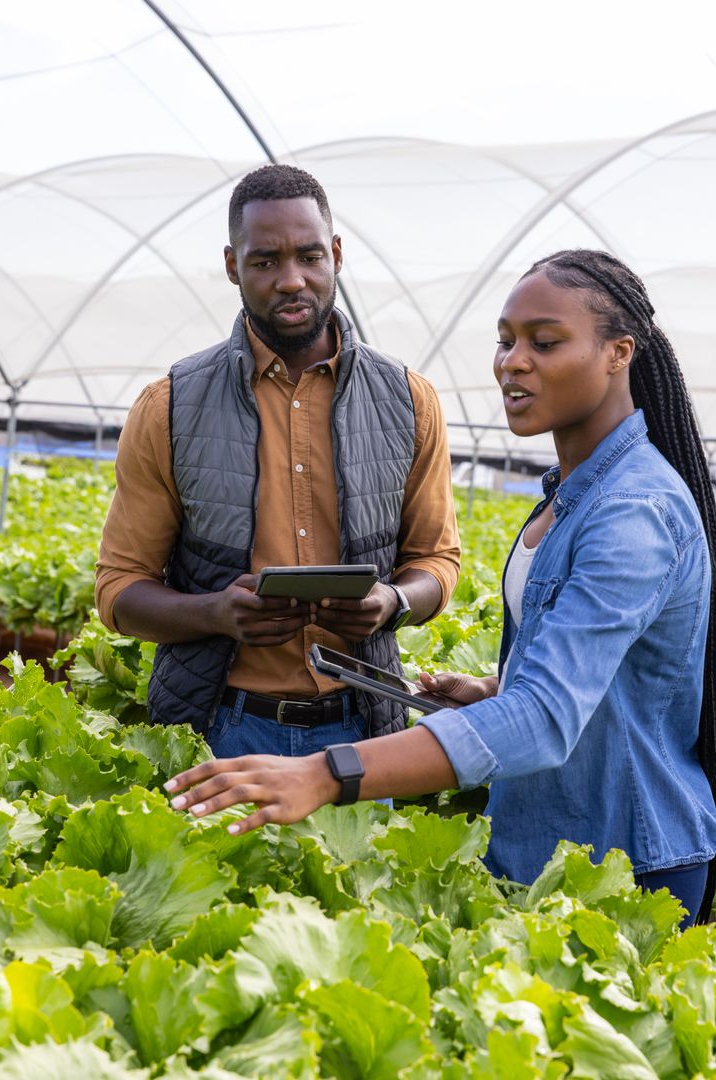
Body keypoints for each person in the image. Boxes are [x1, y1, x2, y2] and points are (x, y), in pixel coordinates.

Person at [164, 248, 716, 927]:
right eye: (506, 341)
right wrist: (492, 690)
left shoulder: (633, 512)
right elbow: (603, 679)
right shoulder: (572, 492)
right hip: (542, 844)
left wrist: (323, 772)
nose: (512, 362)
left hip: (626, 864)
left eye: (544, 343)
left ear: (618, 353)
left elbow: (547, 718)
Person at [96, 164, 460, 759]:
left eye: (309, 257)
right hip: (220, 729)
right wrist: (214, 614)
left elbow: (436, 561)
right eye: (265, 262)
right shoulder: (169, 407)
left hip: (364, 729)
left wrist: (392, 603)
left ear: (335, 255)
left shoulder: (408, 400)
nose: (292, 280)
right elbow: (119, 589)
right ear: (232, 266)